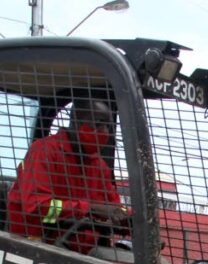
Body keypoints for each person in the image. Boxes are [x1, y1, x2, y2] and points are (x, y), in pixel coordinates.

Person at [7, 99, 128, 254]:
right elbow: (36, 207)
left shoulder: (98, 166)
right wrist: (89, 209)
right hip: (37, 247)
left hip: (84, 254)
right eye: (98, 124)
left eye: (108, 126)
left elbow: (114, 207)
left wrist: (128, 218)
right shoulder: (44, 152)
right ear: (76, 122)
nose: (104, 131)